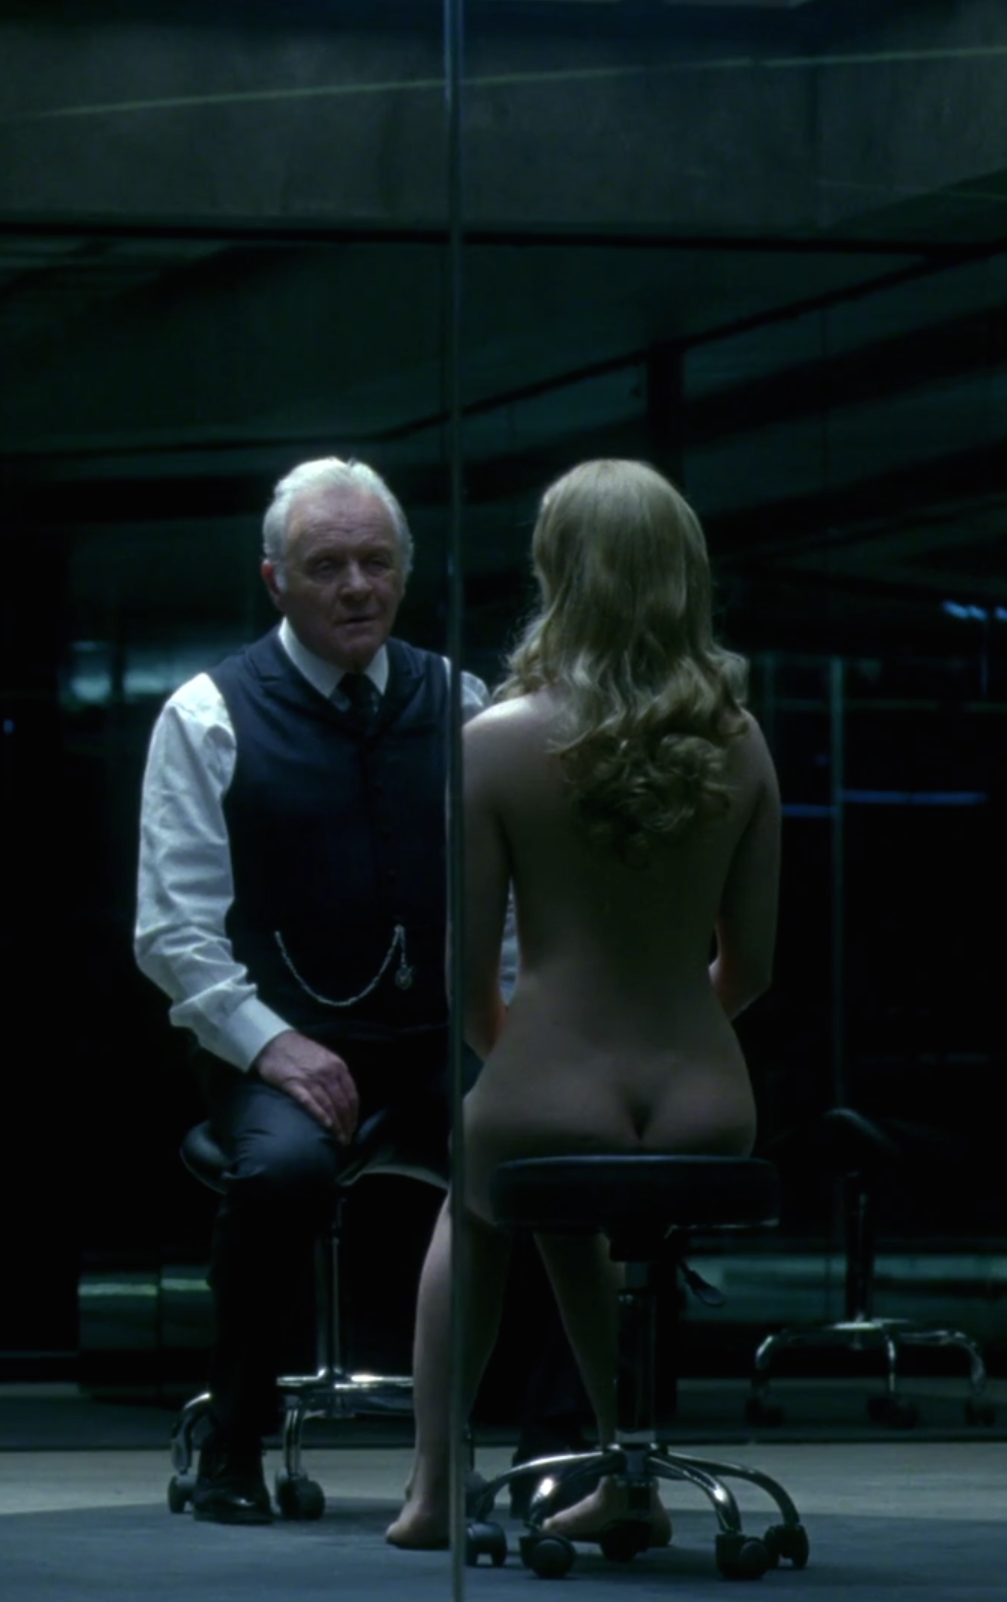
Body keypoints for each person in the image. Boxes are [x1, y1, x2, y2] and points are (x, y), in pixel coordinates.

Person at [136, 457, 590, 1526]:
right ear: (275, 580)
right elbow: (172, 933)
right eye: (327, 566)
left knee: (544, 1154)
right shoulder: (207, 714)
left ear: (406, 573)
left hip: (438, 1034)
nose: (356, 587)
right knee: (283, 1174)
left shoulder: (464, 704)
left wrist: (515, 1043)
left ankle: (557, 1449)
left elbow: (506, 911)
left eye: (377, 563)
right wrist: (272, 1044)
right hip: (274, 1043)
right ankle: (234, 1441)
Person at [383, 459, 779, 1550]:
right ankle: (632, 1480)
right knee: (570, 1211)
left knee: (480, 1199)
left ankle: (434, 1490)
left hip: (552, 1084)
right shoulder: (741, 741)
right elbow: (752, 968)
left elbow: (469, 982)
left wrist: (532, 1064)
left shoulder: (496, 742)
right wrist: (673, 1031)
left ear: (556, 571)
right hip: (708, 1100)